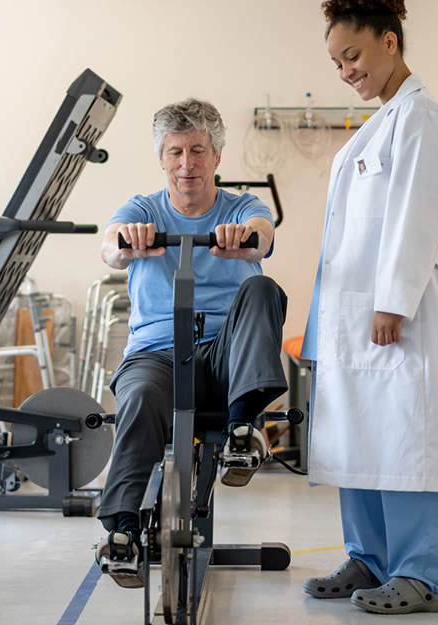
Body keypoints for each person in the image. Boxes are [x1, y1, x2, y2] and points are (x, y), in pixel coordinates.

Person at [300, 0, 438, 615]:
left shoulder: (420, 115)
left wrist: (394, 301)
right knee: (364, 435)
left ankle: (425, 574)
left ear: (390, 43)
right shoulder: (382, 122)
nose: (346, 70)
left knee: (411, 439)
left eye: (354, 55)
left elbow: (416, 216)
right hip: (358, 317)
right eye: (337, 61)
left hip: (403, 313)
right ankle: (369, 558)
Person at [93, 98, 289, 588]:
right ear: (161, 158)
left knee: (261, 287)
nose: (188, 165)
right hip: (158, 355)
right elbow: (109, 245)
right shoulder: (142, 209)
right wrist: (125, 239)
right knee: (137, 397)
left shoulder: (241, 205)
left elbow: (264, 234)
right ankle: (122, 531)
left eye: (198, 150)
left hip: (227, 359)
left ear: (217, 156)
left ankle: (243, 435)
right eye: (176, 152)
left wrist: (247, 236)